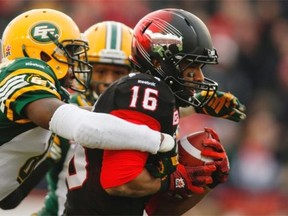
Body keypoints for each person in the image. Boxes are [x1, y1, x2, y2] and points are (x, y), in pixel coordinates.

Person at [0, 9, 176, 210]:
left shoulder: (50, 97)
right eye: (70, 52)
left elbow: (9, 197)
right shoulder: (21, 73)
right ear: (43, 53)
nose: (76, 61)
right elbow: (86, 129)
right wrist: (162, 141)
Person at [63, 8, 234, 215]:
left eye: (200, 68)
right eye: (191, 66)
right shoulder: (146, 90)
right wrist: (175, 180)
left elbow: (156, 211)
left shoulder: (159, 98)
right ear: (158, 62)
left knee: (205, 152)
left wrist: (203, 182)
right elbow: (120, 182)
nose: (198, 77)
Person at [35, 20, 134, 216]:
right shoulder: (65, 110)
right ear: (84, 69)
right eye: (101, 71)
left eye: (118, 73)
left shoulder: (148, 112)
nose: (108, 81)